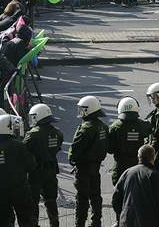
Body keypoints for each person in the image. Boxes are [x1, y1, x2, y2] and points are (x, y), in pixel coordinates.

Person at [0, 114, 36, 226]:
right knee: (26, 221)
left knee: (1, 222)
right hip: (20, 190)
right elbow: (31, 165)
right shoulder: (19, 146)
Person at [112, 144, 159, 227]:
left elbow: (116, 199)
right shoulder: (154, 176)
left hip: (127, 221)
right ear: (153, 158)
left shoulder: (127, 173)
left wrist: (124, 213)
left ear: (138, 157)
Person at [69, 96, 109, 227]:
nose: (80, 112)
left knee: (82, 199)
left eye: (82, 109)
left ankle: (80, 223)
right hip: (96, 167)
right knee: (96, 196)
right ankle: (96, 221)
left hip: (83, 168)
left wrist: (72, 159)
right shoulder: (103, 126)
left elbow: (75, 149)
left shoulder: (86, 128)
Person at [25, 104, 64, 227]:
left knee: (33, 203)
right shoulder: (57, 133)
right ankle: (55, 223)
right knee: (51, 201)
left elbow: (23, 150)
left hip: (35, 173)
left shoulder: (33, 135)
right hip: (51, 171)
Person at [108, 97, 150, 186]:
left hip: (120, 167)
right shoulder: (142, 125)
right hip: (138, 165)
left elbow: (110, 149)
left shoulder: (115, 127)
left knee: (120, 193)